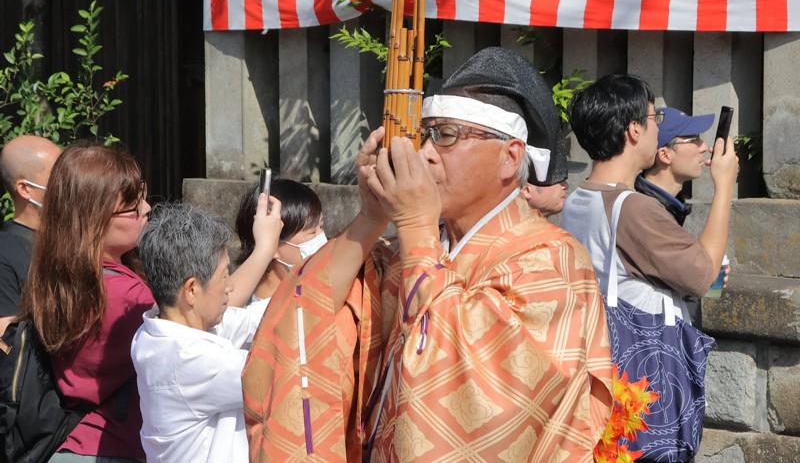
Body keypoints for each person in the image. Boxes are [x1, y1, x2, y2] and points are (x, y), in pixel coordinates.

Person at [242, 47, 613, 461]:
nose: (426, 153)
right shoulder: (410, 253)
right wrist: (372, 217)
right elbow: (305, 314)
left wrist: (416, 225)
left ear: (509, 157)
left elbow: (477, 402)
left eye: (447, 135)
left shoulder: (554, 259)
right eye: (426, 134)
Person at [561, 74, 739, 461]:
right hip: (645, 382)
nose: (658, 126)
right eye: (654, 117)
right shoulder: (635, 209)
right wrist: (724, 186)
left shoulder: (578, 198)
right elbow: (703, 275)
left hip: (601, 367)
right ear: (634, 130)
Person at [17, 141, 154, 461]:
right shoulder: (126, 297)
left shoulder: (59, 277)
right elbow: (198, 330)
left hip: (73, 443)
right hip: (109, 448)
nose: (147, 208)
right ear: (94, 218)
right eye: (133, 205)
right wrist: (263, 250)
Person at [132, 202, 275, 463]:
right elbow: (281, 369)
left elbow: (260, 317)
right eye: (224, 275)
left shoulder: (157, 331)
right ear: (191, 290)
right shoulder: (188, 358)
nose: (231, 286)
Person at [634, 106, 725, 323]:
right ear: (665, 155)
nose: (704, 147)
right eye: (694, 139)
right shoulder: (646, 210)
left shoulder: (667, 204)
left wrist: (707, 269)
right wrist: (724, 185)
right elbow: (700, 278)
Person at [0, 135, 61, 338]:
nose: (67, 182)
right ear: (25, 188)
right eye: (58, 174)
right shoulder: (4, 255)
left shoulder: (70, 240)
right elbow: (8, 343)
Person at [234, 178, 325, 302]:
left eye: (321, 227)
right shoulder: (253, 310)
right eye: (312, 232)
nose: (322, 238)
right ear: (272, 244)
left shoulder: (316, 290)